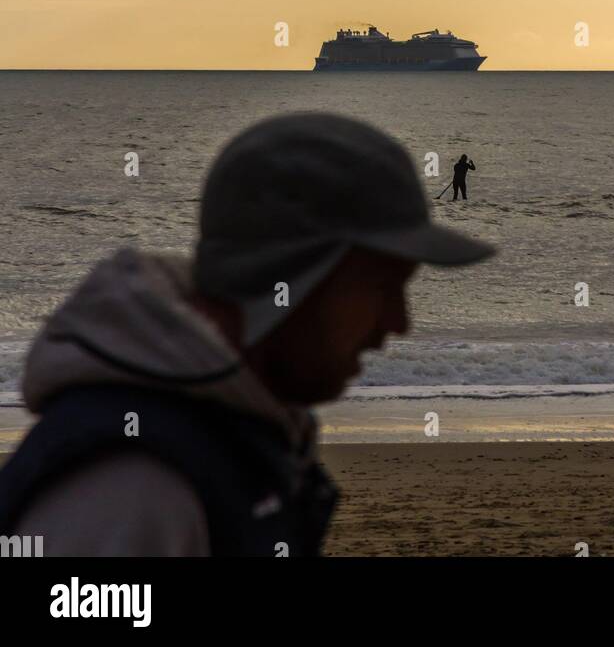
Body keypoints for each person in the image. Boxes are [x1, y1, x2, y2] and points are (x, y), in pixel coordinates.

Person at [0, 112, 495, 556]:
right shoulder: (138, 491)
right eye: (380, 288)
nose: (398, 323)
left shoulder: (232, 432)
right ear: (294, 278)